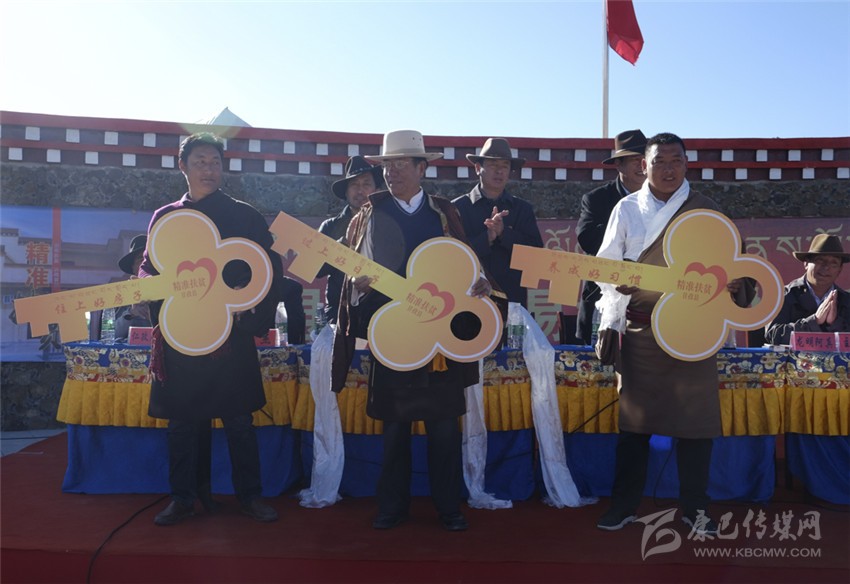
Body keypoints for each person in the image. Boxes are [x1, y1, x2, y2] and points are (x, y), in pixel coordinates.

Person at [331, 129, 491, 532]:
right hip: (393, 335)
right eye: (388, 165)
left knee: (444, 430)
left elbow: (466, 265)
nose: (393, 173)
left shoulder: (442, 213)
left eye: (402, 164)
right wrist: (359, 286)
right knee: (394, 429)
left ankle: (449, 507)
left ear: (422, 169)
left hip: (438, 340)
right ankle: (392, 506)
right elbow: (354, 275)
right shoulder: (370, 214)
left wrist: (479, 284)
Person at [593, 133, 753, 534]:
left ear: (686, 164)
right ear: (643, 166)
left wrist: (735, 283)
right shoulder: (626, 209)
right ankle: (623, 506)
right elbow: (604, 266)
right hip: (641, 330)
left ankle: (695, 509)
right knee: (634, 425)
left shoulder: (706, 210)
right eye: (659, 161)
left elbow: (735, 264)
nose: (668, 169)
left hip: (693, 330)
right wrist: (618, 282)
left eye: (675, 161)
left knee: (696, 426)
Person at [139, 132, 282, 526]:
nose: (208, 169)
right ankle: (183, 498)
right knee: (183, 422)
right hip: (182, 332)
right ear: (182, 167)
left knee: (239, 421)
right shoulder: (166, 217)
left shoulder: (244, 215)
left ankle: (250, 496)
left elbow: (270, 267)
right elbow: (149, 266)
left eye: (215, 162)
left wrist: (253, 314)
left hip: (229, 333)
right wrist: (145, 288)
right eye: (200, 161)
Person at [452, 138, 543, 308]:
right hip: (467, 301)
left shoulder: (522, 209)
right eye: (493, 165)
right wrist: (486, 238)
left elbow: (536, 257)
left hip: (512, 303)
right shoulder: (457, 208)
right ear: (478, 168)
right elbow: (450, 257)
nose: (499, 171)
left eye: (505, 166)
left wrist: (504, 233)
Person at [575, 129, 647, 345]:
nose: (641, 165)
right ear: (618, 164)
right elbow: (587, 238)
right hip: (604, 299)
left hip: (647, 301)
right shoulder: (597, 199)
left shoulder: (663, 201)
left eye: (645, 159)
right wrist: (625, 226)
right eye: (634, 160)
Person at [317, 155, 383, 324]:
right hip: (339, 313)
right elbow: (316, 269)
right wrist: (344, 243)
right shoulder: (330, 226)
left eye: (366, 184)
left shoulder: (388, 225)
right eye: (354, 184)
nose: (360, 191)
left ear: (376, 189)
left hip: (380, 312)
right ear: (346, 192)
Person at [765, 234, 850, 345]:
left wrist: (834, 323)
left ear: (839, 270)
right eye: (820, 261)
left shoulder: (846, 300)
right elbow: (773, 334)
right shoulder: (783, 295)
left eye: (833, 263)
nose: (826, 267)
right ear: (806, 263)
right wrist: (814, 321)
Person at [111, 234, 152, 341]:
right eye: (141, 260)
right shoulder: (123, 294)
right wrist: (132, 312)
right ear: (133, 268)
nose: (145, 265)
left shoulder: (167, 290)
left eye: (148, 260)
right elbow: (112, 334)